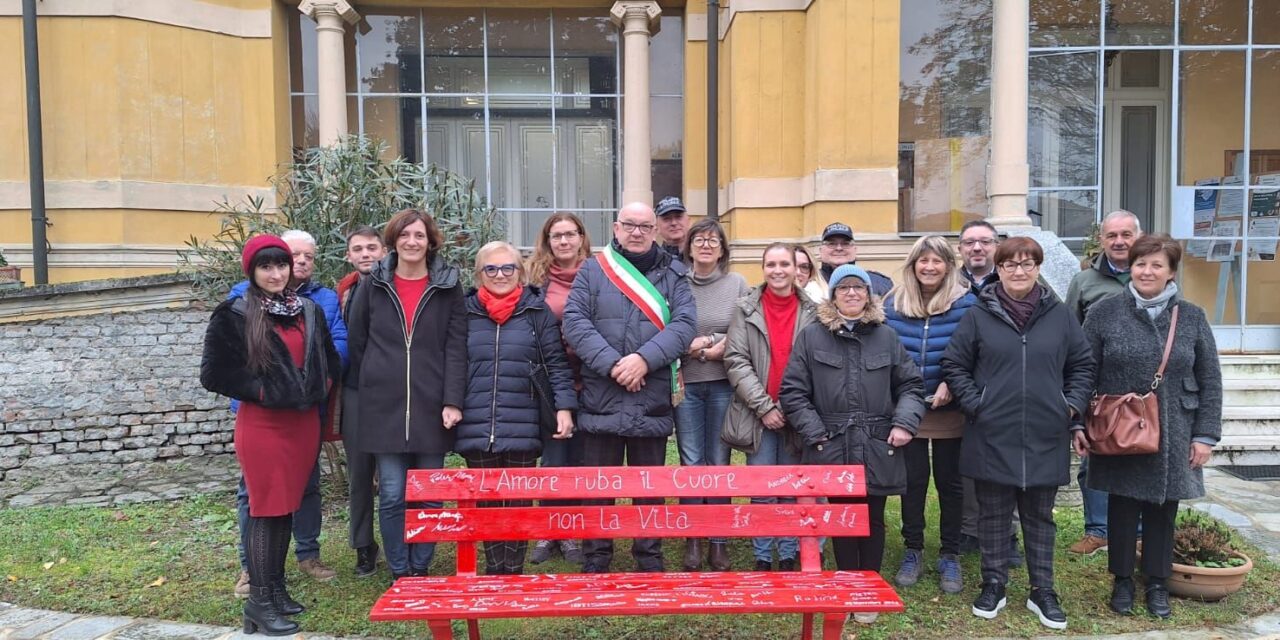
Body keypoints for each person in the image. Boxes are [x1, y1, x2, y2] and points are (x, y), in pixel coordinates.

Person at [941, 237, 1095, 631]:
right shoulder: (979, 314)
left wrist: (1070, 405)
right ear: (1000, 269)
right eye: (1011, 264)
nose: (1019, 271)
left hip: (1046, 431)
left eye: (1028, 263)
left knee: (1040, 517)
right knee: (993, 514)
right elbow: (955, 364)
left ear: (1038, 268)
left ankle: (1042, 589)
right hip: (992, 430)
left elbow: (1082, 365)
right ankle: (994, 583)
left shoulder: (1059, 315)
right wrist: (978, 404)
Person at [201, 235, 340, 636]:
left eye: (282, 265)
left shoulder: (308, 309)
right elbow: (214, 373)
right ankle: (259, 602)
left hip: (302, 425)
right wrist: (265, 391)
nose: (276, 273)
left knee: (286, 509)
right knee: (265, 509)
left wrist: (320, 385)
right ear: (252, 271)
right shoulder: (235, 313)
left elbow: (328, 358)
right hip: (263, 425)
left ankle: (275, 591)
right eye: (267, 266)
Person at [1078, 234, 1222, 619]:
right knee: (1122, 507)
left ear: (1171, 272)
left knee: (1163, 510)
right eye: (1141, 263)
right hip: (1119, 428)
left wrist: (1205, 434)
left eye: (1157, 265)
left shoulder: (1191, 316)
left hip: (1175, 429)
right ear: (1131, 268)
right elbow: (1083, 371)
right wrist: (1077, 424)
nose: (1147, 271)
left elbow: (1210, 378)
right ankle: (1123, 580)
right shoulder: (1104, 313)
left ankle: (1157, 583)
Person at [780, 264, 925, 625]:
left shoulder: (886, 336)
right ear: (833, 295)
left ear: (868, 294)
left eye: (858, 287)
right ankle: (847, 585)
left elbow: (910, 386)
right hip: (831, 442)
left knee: (872, 517)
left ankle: (868, 587)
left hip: (877, 442)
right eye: (843, 288)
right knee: (841, 517)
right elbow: (793, 391)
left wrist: (905, 423)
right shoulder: (812, 337)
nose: (852, 294)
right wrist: (815, 432)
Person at [562, 201, 697, 573]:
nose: (637, 232)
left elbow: (685, 325)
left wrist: (643, 360)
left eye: (644, 226)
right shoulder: (593, 270)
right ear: (615, 227)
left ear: (654, 231)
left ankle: (649, 555)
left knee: (649, 487)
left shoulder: (674, 273)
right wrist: (613, 365)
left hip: (649, 395)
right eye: (629, 225)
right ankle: (596, 556)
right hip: (602, 396)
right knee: (599, 488)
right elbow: (575, 322)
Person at [345, 209, 468, 581]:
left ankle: (421, 565)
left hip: (432, 405)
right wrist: (373, 384)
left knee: (430, 493)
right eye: (404, 235)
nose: (412, 242)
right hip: (384, 407)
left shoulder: (448, 284)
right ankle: (401, 571)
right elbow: (358, 340)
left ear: (430, 241)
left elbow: (456, 346)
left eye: (419, 235)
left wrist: (452, 399)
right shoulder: (374, 284)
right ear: (393, 241)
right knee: (395, 493)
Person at [229, 229, 347, 597]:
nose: (297, 264)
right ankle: (253, 571)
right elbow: (227, 365)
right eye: (289, 256)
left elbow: (337, 346)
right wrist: (270, 389)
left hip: (304, 412)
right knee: (257, 493)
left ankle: (305, 557)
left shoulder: (319, 302)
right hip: (262, 416)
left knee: (305, 486)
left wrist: (315, 384)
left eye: (305, 257)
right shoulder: (240, 302)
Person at [457, 241, 577, 576]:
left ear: (519, 273)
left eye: (507, 268)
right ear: (479, 274)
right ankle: (494, 569)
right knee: (486, 501)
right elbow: (451, 363)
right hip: (477, 418)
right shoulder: (465, 311)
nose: (500, 275)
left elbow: (556, 364)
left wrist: (564, 407)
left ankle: (512, 571)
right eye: (491, 269)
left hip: (524, 418)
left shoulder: (536, 311)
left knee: (518, 500)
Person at [883, 235, 978, 594]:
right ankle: (913, 549)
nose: (929, 267)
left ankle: (950, 553)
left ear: (948, 266)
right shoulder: (893, 304)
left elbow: (975, 353)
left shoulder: (965, 304)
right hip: (908, 409)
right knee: (913, 483)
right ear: (912, 265)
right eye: (923, 260)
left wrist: (953, 385)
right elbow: (886, 354)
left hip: (949, 410)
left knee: (951, 485)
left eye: (937, 261)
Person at [723, 242, 819, 571]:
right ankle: (763, 554)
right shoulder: (745, 308)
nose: (777, 271)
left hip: (797, 412)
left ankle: (789, 551)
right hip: (757, 412)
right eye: (770, 264)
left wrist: (793, 407)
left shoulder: (814, 310)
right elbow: (736, 359)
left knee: (792, 485)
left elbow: (816, 364)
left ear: (797, 269)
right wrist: (764, 406)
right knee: (763, 487)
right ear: (763, 269)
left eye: (784, 264)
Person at [1064, 209, 1144, 557]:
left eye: (1126, 234)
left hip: (1144, 390)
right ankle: (1098, 529)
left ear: (1137, 237)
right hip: (1099, 388)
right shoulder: (1084, 283)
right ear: (1101, 240)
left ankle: (1139, 532)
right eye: (1112, 235)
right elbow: (1069, 334)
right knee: (1093, 460)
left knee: (1141, 459)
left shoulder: (1152, 275)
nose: (1119, 241)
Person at [677, 219, 749, 571]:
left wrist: (703, 345)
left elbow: (742, 330)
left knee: (718, 464)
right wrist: (711, 343)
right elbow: (671, 329)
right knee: (691, 462)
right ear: (688, 247)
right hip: (687, 385)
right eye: (699, 240)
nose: (706, 245)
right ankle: (693, 538)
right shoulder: (675, 283)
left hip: (723, 383)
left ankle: (718, 540)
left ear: (722, 249)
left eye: (713, 240)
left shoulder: (737, 283)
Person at [524, 212, 592, 566]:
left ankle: (573, 532)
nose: (564, 241)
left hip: (592, 379)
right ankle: (547, 530)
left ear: (581, 237)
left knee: (579, 461)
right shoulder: (535, 278)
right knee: (552, 459)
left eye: (570, 234)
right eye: (556, 236)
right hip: (550, 381)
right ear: (547, 241)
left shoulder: (599, 274)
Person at [335, 225, 385, 578]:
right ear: (349, 255)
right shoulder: (344, 290)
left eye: (371, 247)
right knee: (360, 473)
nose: (365, 253)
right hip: (355, 390)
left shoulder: (394, 285)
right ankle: (363, 545)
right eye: (358, 249)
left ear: (383, 251)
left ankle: (406, 539)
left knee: (397, 475)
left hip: (393, 392)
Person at [817, 222, 893, 297]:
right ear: (820, 250)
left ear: (855, 250)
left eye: (845, 244)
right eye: (831, 244)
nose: (839, 248)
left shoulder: (879, 283)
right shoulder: (809, 282)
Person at [957, 220, 1000, 295]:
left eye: (985, 241)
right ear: (960, 250)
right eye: (969, 242)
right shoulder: (947, 283)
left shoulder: (1009, 281)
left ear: (997, 248)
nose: (977, 248)